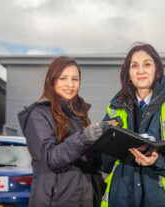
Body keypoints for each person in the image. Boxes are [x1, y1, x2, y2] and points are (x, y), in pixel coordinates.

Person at [101, 43, 165, 207]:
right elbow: (103, 161)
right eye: (134, 66)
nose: (140, 70)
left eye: (147, 64)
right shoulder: (115, 107)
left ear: (157, 69)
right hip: (122, 198)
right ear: (128, 73)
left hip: (164, 200)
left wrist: (158, 161)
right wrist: (100, 141)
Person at [18, 56, 105, 207]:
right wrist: (84, 138)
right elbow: (49, 157)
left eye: (75, 79)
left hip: (85, 199)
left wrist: (110, 143)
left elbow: (88, 161)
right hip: (55, 200)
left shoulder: (79, 115)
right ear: (51, 80)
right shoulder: (39, 114)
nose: (70, 84)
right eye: (63, 78)